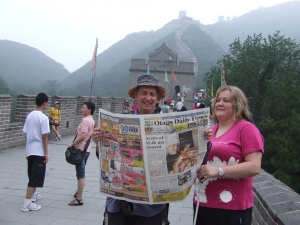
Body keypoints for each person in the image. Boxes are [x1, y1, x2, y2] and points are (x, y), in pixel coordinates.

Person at [92, 74, 212, 225]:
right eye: (143, 93)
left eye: (152, 94)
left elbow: (187, 153)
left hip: (151, 207)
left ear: (157, 98)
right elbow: (106, 159)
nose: (148, 98)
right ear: (135, 96)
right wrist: (98, 143)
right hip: (118, 204)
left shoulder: (169, 126)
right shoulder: (119, 123)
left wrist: (203, 135)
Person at [193, 85, 264, 225]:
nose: (220, 103)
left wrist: (219, 171)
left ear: (238, 105)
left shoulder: (247, 129)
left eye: (226, 100)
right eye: (218, 100)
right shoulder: (210, 131)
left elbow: (254, 167)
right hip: (202, 202)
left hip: (231, 208)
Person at [21, 93, 50, 212]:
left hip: (30, 149)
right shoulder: (43, 118)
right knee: (35, 177)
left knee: (32, 173)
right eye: (47, 103)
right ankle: (27, 203)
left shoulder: (30, 116)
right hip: (38, 150)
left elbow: (26, 134)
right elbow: (44, 137)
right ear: (44, 103)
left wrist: (27, 151)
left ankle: (34, 194)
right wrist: (46, 153)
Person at [67, 101, 95, 206]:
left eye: (84, 108)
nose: (81, 109)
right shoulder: (92, 120)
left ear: (89, 110)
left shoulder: (85, 121)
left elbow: (83, 136)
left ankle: (79, 199)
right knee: (81, 171)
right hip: (87, 150)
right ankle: (78, 191)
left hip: (80, 150)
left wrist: (72, 144)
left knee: (80, 174)